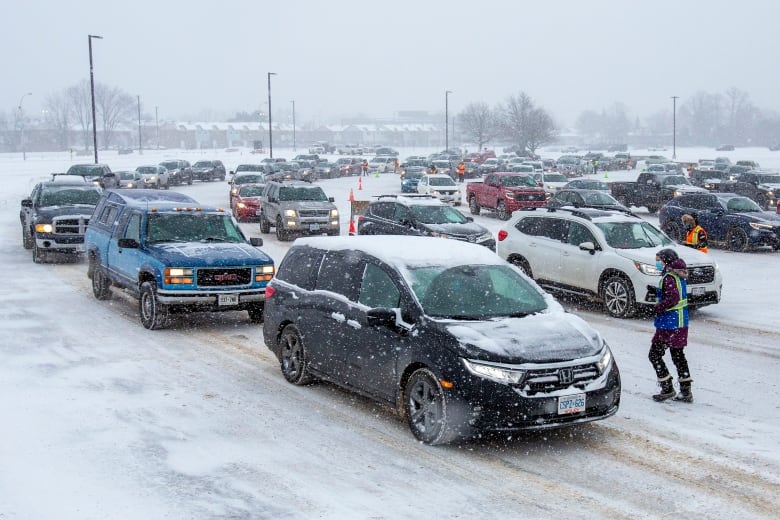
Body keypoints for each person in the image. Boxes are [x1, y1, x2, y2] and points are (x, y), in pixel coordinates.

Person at [649, 248, 693, 403]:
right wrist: (657, 292)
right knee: (678, 356)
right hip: (681, 323)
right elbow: (676, 294)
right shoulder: (678, 274)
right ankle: (686, 391)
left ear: (666, 261)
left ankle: (667, 388)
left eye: (659, 260)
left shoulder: (668, 277)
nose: (657, 263)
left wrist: (657, 307)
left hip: (669, 324)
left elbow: (673, 298)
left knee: (654, 355)